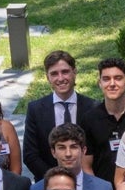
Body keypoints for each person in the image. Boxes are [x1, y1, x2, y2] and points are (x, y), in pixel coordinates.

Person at [24, 51, 98, 181]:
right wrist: (56, 179)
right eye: (54, 74)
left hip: (86, 181)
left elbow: (98, 151)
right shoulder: (35, 109)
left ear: (74, 72)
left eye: (65, 72)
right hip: (49, 182)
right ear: (47, 77)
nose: (60, 78)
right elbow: (30, 155)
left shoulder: (93, 107)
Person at [27, 124, 114, 190]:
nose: (68, 154)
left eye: (73, 147)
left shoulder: (103, 189)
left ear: (83, 151)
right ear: (53, 152)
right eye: (61, 148)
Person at [79, 57, 125, 185]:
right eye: (106, 79)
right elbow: (86, 165)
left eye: (118, 78)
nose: (112, 84)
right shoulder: (89, 119)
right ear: (100, 83)